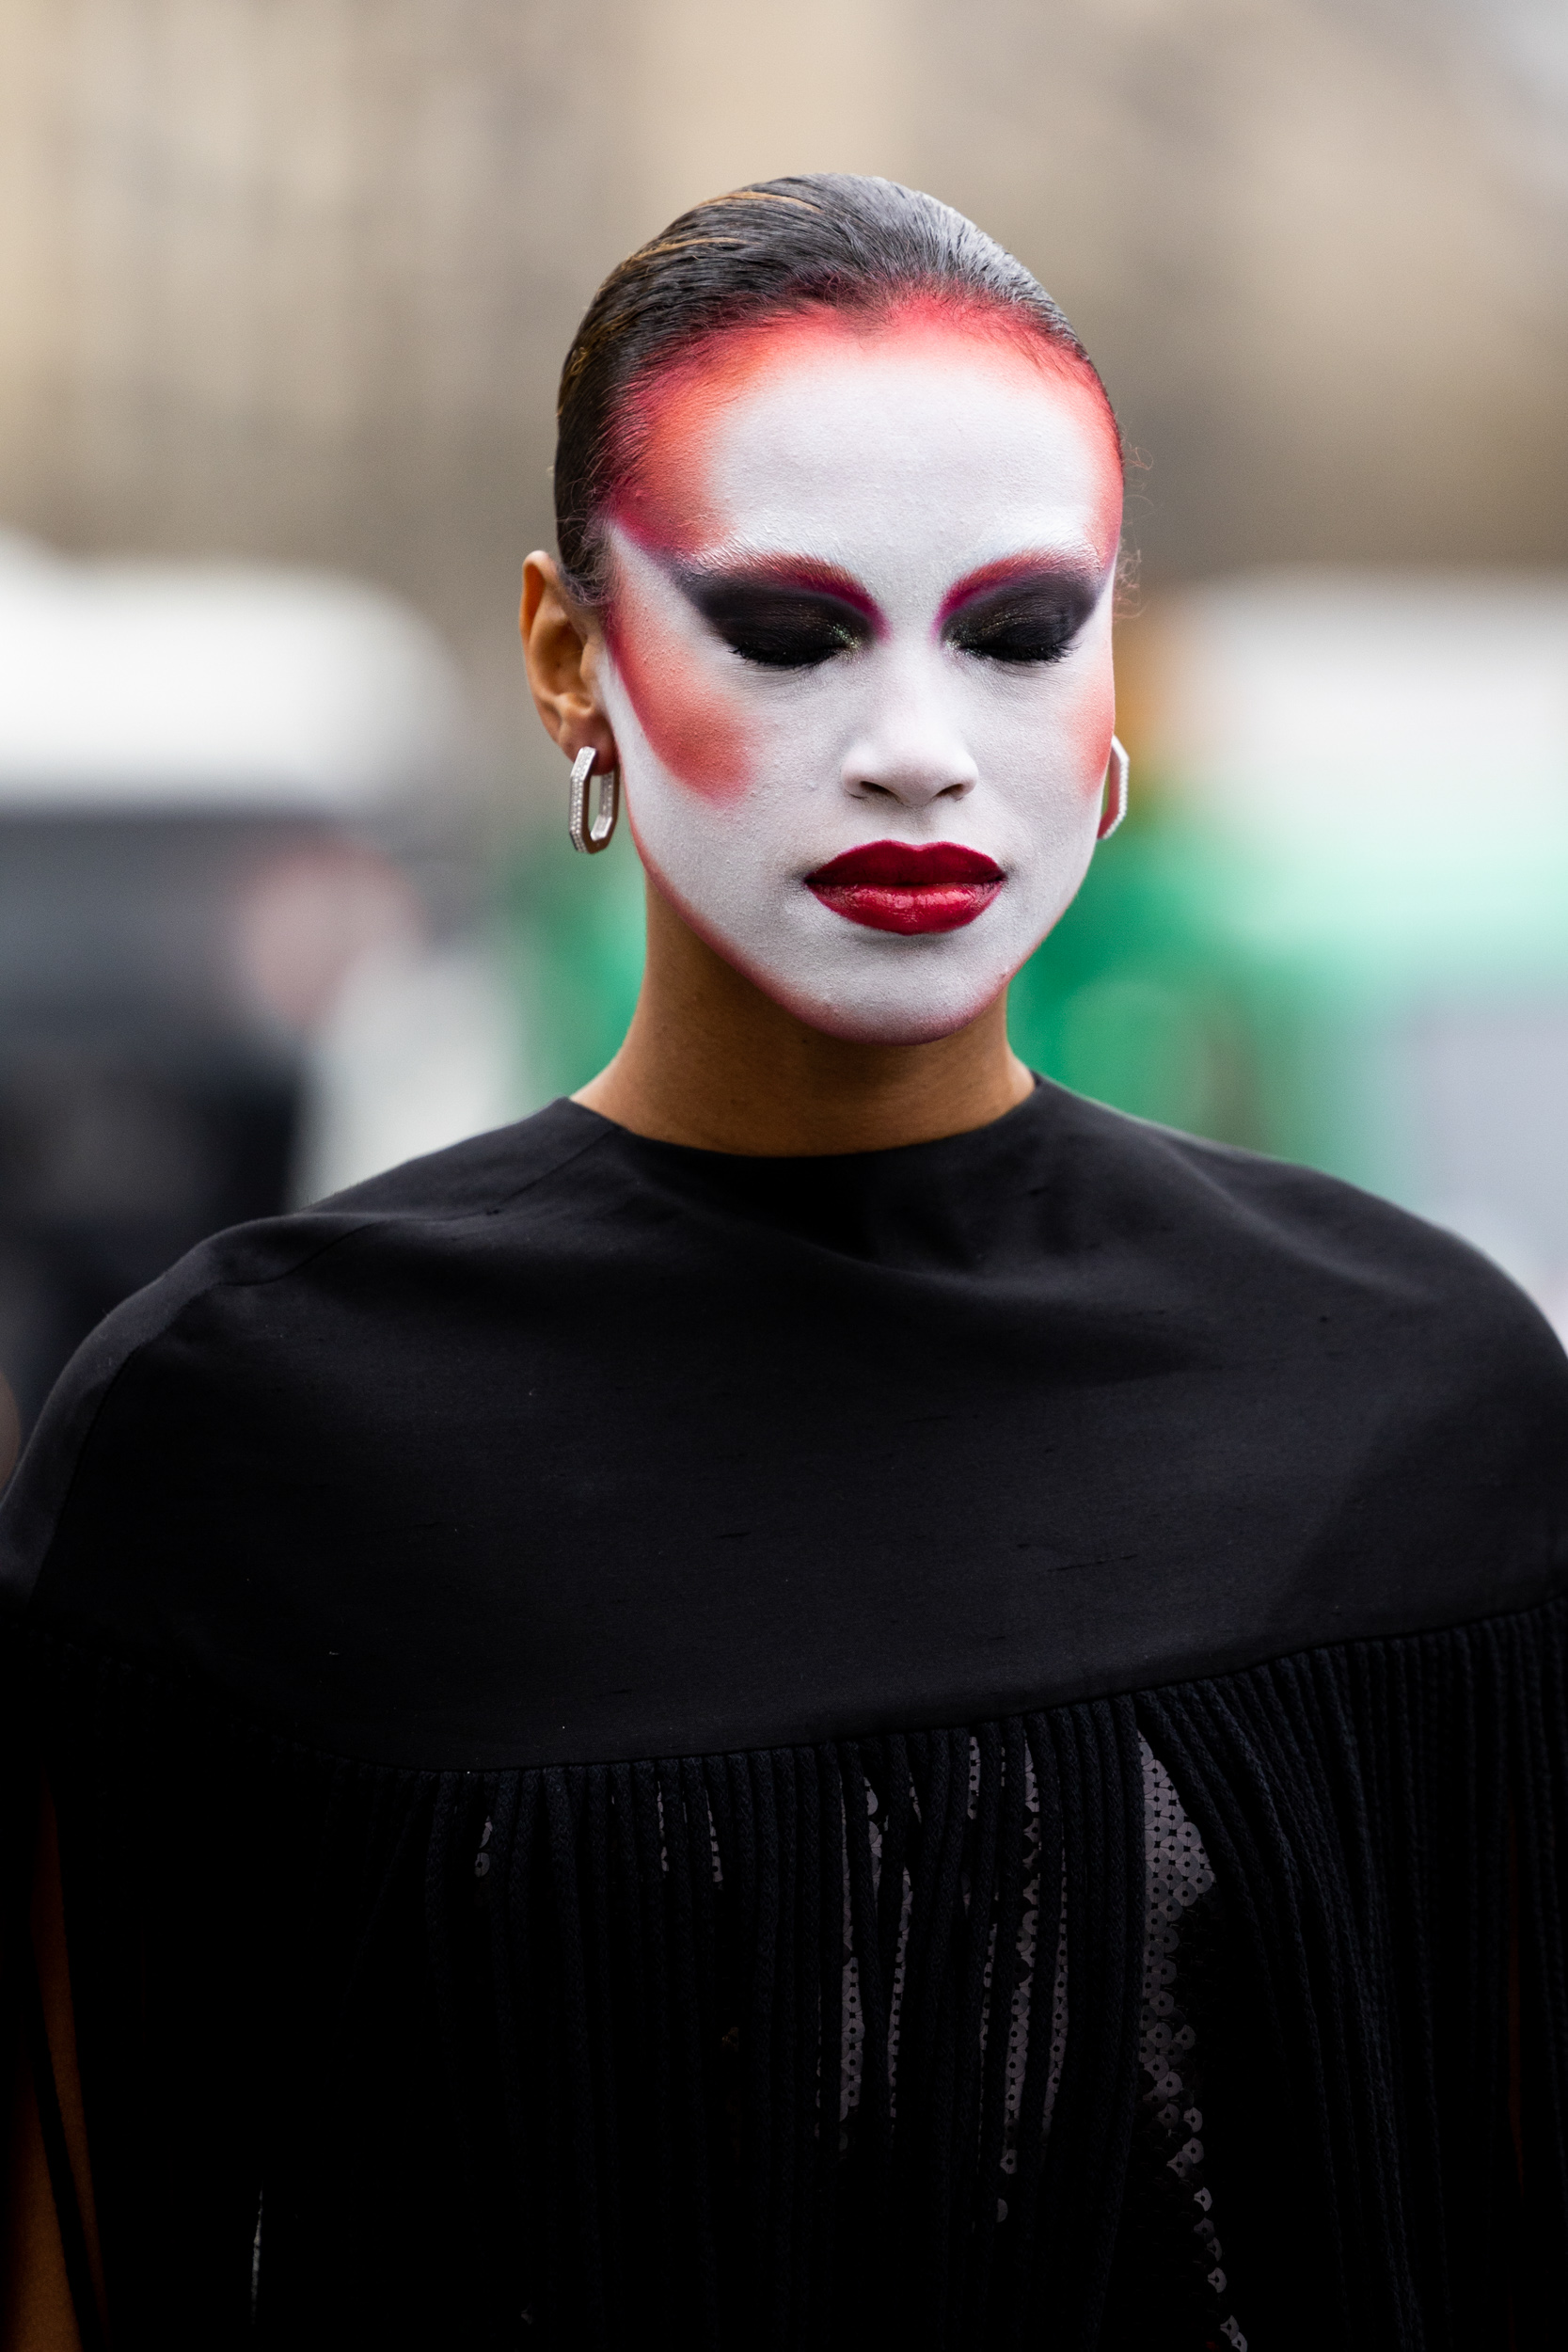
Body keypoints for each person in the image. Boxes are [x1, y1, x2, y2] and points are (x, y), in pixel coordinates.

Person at [3, 174, 1566, 2352]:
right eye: (790, 625)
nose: (919, 740)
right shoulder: (243, 1436)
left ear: (1123, 663)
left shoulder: (1427, 1403)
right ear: (571, 651)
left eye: (1018, 628)